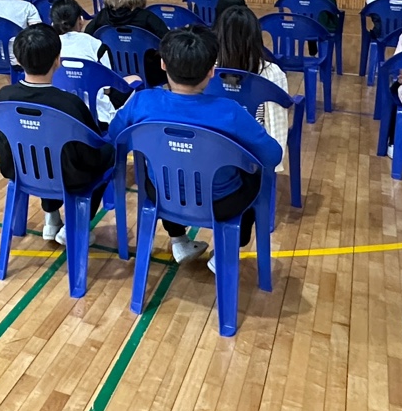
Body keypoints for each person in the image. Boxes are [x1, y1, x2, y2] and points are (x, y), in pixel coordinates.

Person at [108, 30, 282, 268]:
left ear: (163, 64)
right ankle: (225, 252)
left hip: (161, 194)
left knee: (168, 170)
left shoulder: (142, 101)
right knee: (256, 179)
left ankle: (178, 239)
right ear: (212, 70)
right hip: (221, 202)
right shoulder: (230, 111)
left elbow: (115, 134)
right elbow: (272, 155)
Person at [0, 24, 115, 245]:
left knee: (42, 149)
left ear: (18, 60)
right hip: (69, 177)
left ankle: (52, 217)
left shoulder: (4, 97)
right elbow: (91, 151)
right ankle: (76, 225)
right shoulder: (69, 103)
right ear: (58, 60)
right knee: (108, 153)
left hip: (20, 171)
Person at [212, 5, 290, 168]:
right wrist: (274, 164)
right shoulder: (272, 73)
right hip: (254, 152)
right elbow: (277, 123)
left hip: (214, 144)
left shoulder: (207, 68)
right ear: (256, 37)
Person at [87, 0, 168, 89]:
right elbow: (170, 42)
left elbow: (87, 37)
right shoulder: (147, 17)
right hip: (149, 75)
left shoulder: (102, 17)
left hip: (112, 71)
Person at [49, 0, 124, 126]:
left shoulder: (48, 47)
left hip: (59, 117)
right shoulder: (96, 45)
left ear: (53, 24)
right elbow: (107, 90)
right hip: (97, 118)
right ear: (81, 20)